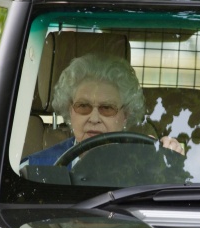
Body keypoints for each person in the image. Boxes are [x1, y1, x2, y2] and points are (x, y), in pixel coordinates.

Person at [23, 53, 184, 167]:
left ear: (126, 115)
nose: (94, 118)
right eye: (83, 106)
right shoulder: (33, 168)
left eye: (107, 108)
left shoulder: (146, 161)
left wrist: (171, 165)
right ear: (70, 111)